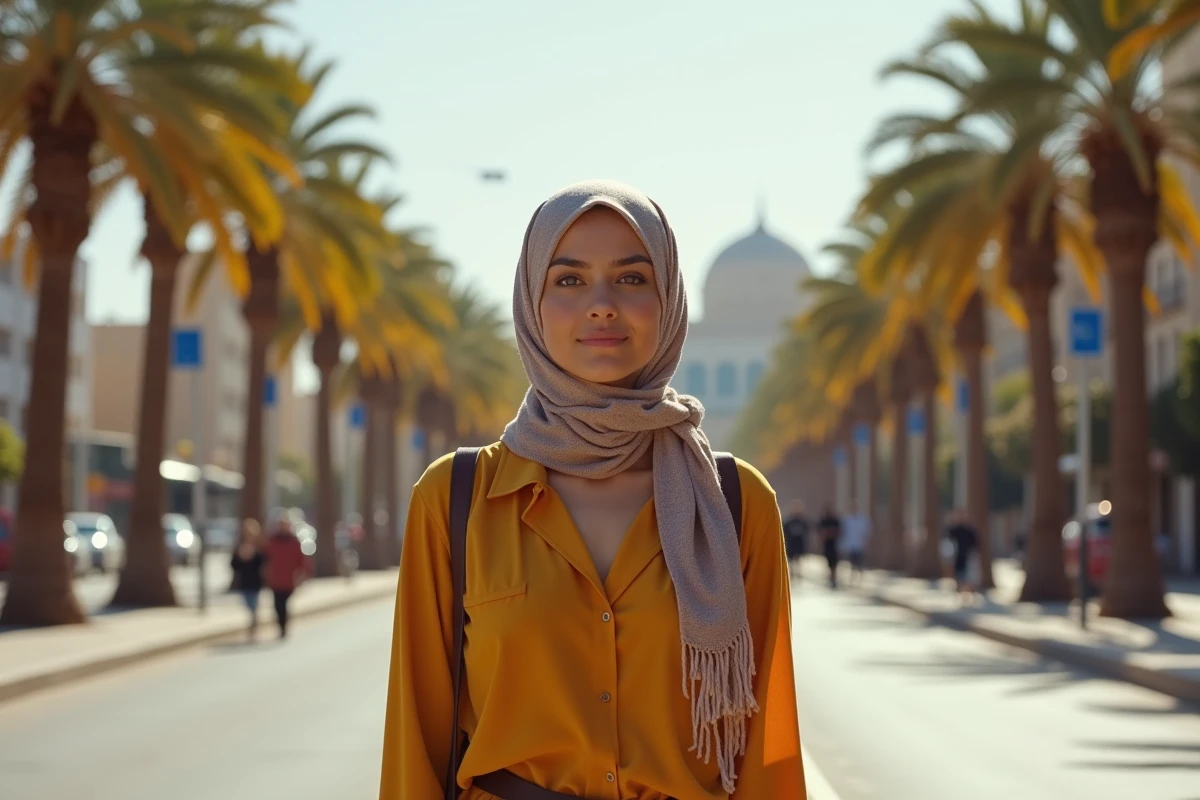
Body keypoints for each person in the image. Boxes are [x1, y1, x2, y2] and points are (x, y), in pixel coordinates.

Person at [379, 181, 806, 799]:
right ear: (531, 302)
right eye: (569, 280)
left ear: (670, 302)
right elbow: (415, 738)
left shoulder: (735, 503)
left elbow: (769, 751)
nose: (601, 305)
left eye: (632, 278)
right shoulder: (457, 499)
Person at [264, 517, 308, 639]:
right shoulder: (272, 540)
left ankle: (284, 625)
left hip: (289, 580)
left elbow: (301, 561)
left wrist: (302, 576)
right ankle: (281, 625)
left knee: (283, 603)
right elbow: (266, 558)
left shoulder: (294, 542)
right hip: (275, 579)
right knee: (277, 605)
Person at [229, 519, 265, 641]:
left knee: (253, 605)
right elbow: (233, 564)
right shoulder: (239, 546)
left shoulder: (259, 547)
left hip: (255, 581)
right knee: (247, 604)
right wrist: (241, 557)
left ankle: (253, 627)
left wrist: (252, 555)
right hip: (244, 581)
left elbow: (263, 562)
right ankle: (252, 624)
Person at [945, 510, 980, 601]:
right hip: (957, 558)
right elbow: (948, 543)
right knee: (959, 578)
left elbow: (976, 545)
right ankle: (961, 596)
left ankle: (970, 595)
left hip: (968, 557)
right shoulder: (953, 530)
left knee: (969, 578)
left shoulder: (970, 531)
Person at [840, 502, 870, 585]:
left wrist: (866, 542)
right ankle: (852, 578)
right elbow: (844, 533)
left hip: (859, 545)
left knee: (859, 562)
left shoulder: (862, 519)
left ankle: (860, 579)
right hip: (850, 545)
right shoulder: (847, 520)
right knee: (852, 563)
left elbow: (867, 532)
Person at [817, 504, 842, 589]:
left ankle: (834, 579)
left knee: (834, 563)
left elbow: (839, 532)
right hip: (826, 545)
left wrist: (830, 533)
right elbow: (820, 532)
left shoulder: (835, 521)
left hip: (835, 545)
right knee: (828, 563)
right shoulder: (824, 521)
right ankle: (830, 578)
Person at [781, 500, 811, 564]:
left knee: (798, 557)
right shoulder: (788, 522)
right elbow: (785, 532)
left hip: (799, 542)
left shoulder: (803, 522)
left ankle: (797, 565)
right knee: (791, 557)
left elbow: (806, 531)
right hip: (791, 542)